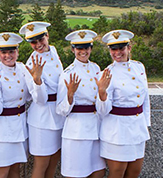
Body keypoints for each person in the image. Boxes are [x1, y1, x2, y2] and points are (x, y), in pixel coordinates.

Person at [96, 30, 151, 178]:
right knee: (117, 174)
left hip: (138, 130)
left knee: (134, 172)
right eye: (114, 49)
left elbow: (144, 99)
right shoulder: (106, 74)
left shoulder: (139, 67)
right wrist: (102, 93)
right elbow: (102, 111)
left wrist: (146, 125)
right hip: (117, 132)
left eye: (122, 48)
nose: (118, 52)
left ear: (129, 48)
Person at [56, 30, 106, 178]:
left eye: (86, 48)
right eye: (79, 48)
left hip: (96, 128)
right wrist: (70, 95)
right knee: (76, 174)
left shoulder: (96, 69)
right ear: (73, 50)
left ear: (91, 48)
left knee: (98, 172)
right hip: (76, 132)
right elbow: (60, 109)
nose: (83, 52)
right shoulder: (67, 73)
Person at [19, 21, 65, 178]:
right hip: (42, 119)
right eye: (33, 42)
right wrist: (37, 81)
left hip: (59, 114)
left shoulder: (54, 52)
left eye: (41, 39)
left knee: (53, 162)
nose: (38, 44)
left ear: (47, 36)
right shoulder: (30, 64)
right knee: (41, 164)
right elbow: (39, 100)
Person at [0, 32, 31, 178]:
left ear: (17, 52)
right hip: (1, 130)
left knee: (16, 169)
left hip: (19, 126)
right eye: (3, 52)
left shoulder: (23, 69)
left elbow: (29, 95)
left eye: (11, 51)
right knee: (2, 172)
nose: (8, 55)